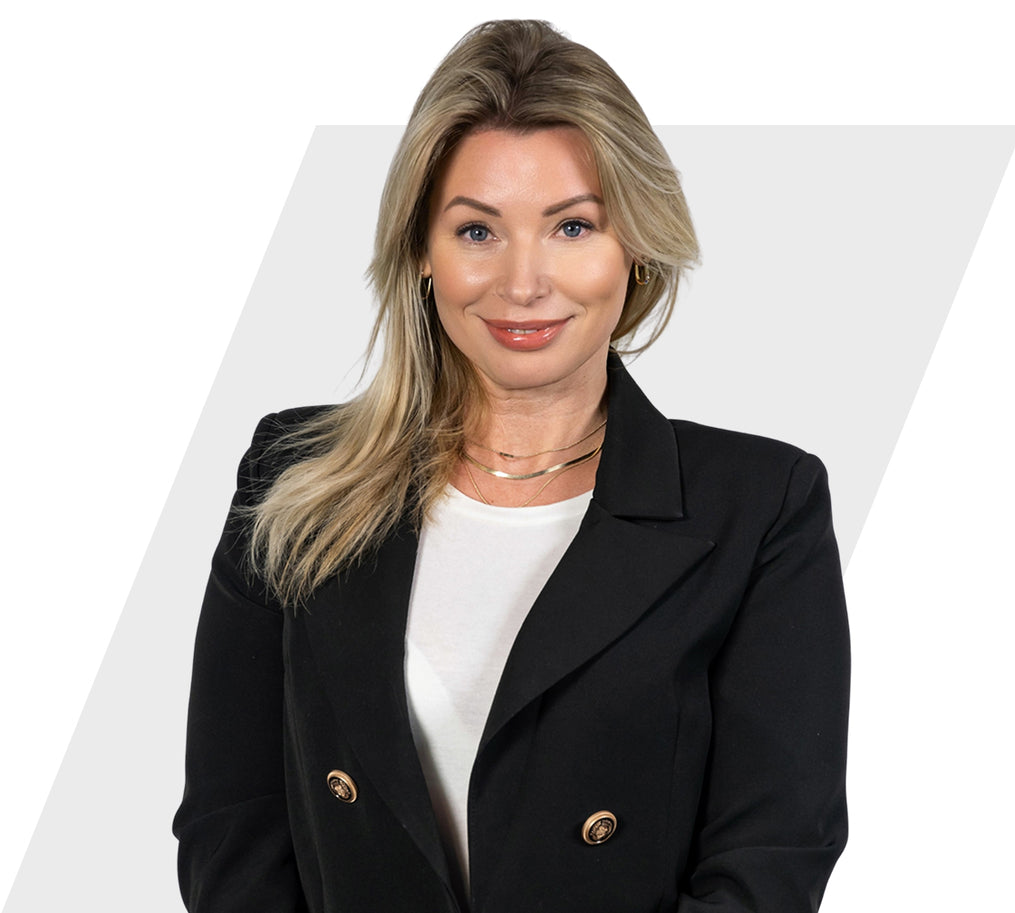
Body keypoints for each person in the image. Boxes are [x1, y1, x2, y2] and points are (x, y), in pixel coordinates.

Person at [173, 19, 849, 913]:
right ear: (422, 249)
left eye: (572, 225)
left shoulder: (761, 507)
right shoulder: (293, 477)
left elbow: (769, 863)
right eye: (477, 230)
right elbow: (231, 833)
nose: (524, 283)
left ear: (635, 243)